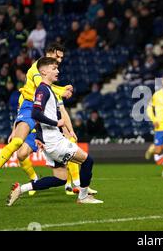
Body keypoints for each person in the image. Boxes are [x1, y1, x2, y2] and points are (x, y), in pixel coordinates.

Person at [6, 57, 103, 206]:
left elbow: (38, 117)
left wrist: (39, 135)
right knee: (87, 161)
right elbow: (35, 114)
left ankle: (21, 189)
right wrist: (56, 122)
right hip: (54, 141)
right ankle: (83, 197)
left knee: (60, 178)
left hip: (50, 139)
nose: (57, 71)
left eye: (57, 68)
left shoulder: (47, 89)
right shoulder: (43, 90)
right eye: (53, 68)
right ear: (43, 71)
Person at [0, 43, 73, 190]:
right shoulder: (38, 68)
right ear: (49, 53)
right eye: (57, 56)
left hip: (44, 116)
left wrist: (69, 127)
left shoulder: (51, 75)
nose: (60, 61)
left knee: (67, 142)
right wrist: (62, 90)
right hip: (31, 109)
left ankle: (75, 184)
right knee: (19, 149)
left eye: (61, 58)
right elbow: (36, 88)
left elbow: (59, 106)